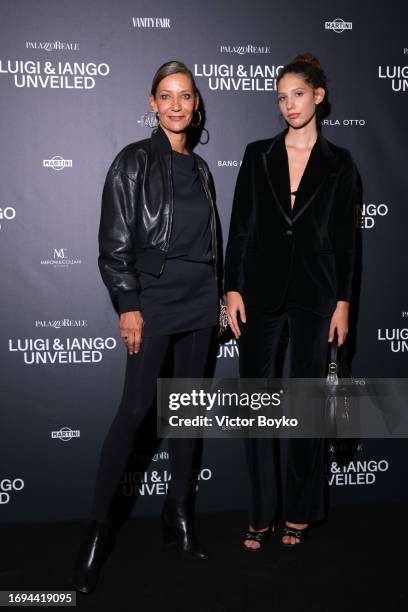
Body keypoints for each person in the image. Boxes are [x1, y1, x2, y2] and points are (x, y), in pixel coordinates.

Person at [72, 60, 219, 593]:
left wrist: (221, 296)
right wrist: (128, 303)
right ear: (152, 105)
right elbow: (113, 246)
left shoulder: (201, 170)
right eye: (166, 96)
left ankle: (176, 515)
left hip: (201, 302)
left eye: (186, 96)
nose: (177, 105)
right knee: (135, 412)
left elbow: (208, 246)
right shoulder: (132, 162)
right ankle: (96, 534)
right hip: (153, 302)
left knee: (186, 414)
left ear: (196, 105)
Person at [224, 53, 358, 549]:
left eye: (297, 94)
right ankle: (260, 512)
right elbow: (240, 225)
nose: (289, 105)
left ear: (318, 96)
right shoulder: (257, 153)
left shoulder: (340, 164)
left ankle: (299, 511)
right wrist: (232, 287)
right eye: (281, 97)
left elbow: (347, 240)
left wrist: (343, 302)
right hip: (258, 292)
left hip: (316, 294)